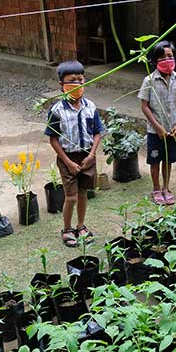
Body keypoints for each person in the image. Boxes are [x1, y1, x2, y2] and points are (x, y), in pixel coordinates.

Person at [45, 60, 105, 248]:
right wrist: (68, 162)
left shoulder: (91, 107)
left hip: (86, 157)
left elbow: (97, 133)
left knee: (83, 193)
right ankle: (67, 228)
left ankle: (81, 225)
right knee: (70, 197)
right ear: (61, 86)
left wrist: (91, 155)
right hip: (68, 159)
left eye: (80, 80)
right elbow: (53, 139)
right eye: (72, 81)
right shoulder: (56, 111)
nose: (77, 85)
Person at [139, 40, 176, 206]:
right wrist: (157, 127)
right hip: (155, 131)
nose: (167, 59)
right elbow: (144, 106)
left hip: (173, 129)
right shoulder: (149, 81)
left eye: (170, 56)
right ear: (155, 60)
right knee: (155, 161)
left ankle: (166, 188)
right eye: (163, 57)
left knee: (168, 160)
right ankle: (156, 188)